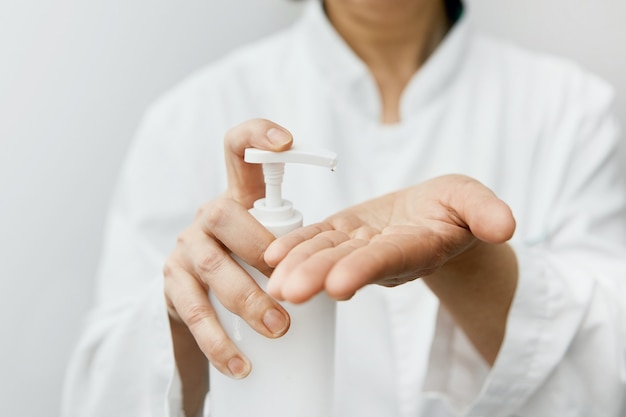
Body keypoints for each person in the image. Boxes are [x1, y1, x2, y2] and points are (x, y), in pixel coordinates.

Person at [63, 0, 626, 416]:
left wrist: (472, 265)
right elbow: (97, 398)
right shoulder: (189, 116)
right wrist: (180, 314)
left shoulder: (572, 112)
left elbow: (611, 381)